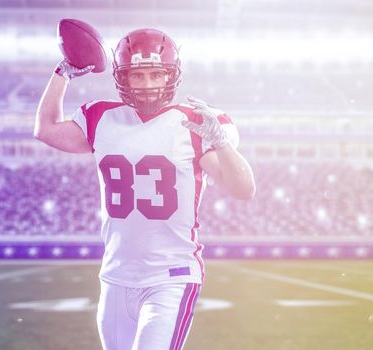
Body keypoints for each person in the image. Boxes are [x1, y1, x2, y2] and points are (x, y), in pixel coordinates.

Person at [34, 27, 255, 350]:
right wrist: (63, 72)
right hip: (115, 276)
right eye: (138, 76)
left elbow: (243, 189)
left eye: (156, 74)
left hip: (171, 275)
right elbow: (46, 130)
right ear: (122, 77)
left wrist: (221, 143)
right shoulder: (101, 116)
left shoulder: (194, 123)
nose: (149, 84)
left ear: (172, 76)